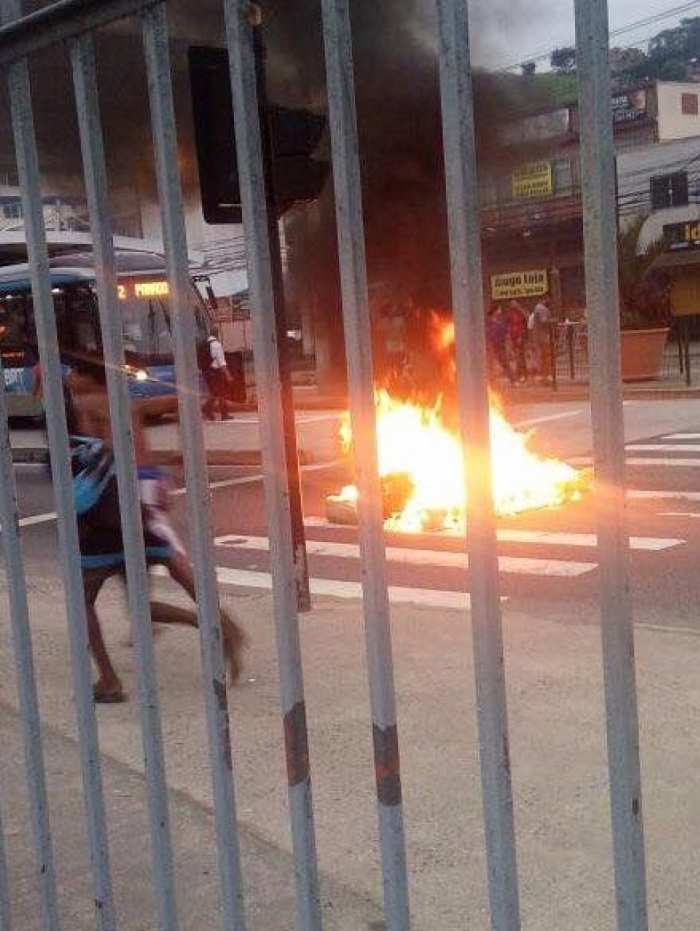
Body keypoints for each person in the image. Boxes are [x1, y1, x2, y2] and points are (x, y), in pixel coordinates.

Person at [66, 353, 245, 703]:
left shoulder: (86, 403)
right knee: (159, 574)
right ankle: (218, 622)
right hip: (136, 503)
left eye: (75, 371)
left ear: (89, 377)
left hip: (106, 509)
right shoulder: (124, 399)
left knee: (83, 599)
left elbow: (103, 452)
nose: (70, 376)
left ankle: (108, 679)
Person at [200, 326, 232, 422]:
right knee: (221, 392)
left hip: (206, 371)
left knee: (214, 392)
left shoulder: (205, 344)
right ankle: (223, 414)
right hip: (215, 372)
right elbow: (221, 362)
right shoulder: (217, 345)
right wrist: (228, 375)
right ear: (217, 333)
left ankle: (208, 410)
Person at [486, 302, 514, 385]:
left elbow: (506, 332)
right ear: (495, 311)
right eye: (499, 309)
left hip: (500, 345)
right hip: (490, 345)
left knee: (505, 362)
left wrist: (507, 343)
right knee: (490, 364)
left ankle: (512, 379)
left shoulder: (500, 321)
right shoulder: (488, 322)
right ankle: (491, 381)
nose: (500, 311)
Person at [529, 293, 553, 383]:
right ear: (545, 298)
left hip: (540, 336)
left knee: (544, 357)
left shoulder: (538, 308)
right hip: (543, 337)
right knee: (547, 357)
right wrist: (553, 321)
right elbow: (544, 321)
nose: (549, 301)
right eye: (548, 299)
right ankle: (545, 376)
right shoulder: (541, 308)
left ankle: (544, 376)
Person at [506, 299, 529, 384]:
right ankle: (520, 374)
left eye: (515, 303)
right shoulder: (510, 314)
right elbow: (508, 325)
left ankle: (521, 374)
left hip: (520, 337)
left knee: (520, 356)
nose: (513, 305)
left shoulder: (521, 313)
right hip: (513, 337)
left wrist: (521, 336)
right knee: (518, 356)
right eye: (512, 303)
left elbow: (526, 320)